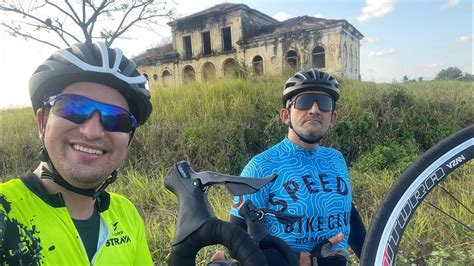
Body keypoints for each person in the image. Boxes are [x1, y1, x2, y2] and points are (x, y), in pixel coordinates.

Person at [0, 42, 153, 265]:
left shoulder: (126, 214)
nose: (92, 132)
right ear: (42, 123)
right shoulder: (5, 212)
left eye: (115, 118)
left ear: (128, 140)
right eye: (74, 108)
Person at [228, 69, 366, 265]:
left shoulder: (336, 159)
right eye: (304, 101)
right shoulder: (261, 166)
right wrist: (295, 260)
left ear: (333, 117)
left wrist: (374, 256)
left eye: (324, 104)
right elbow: (235, 238)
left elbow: (347, 214)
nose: (314, 110)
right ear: (285, 115)